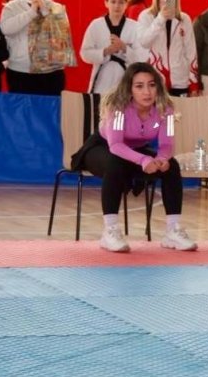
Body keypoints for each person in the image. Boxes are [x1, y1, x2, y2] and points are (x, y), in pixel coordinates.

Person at [69, 62, 197, 253]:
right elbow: (116, 145)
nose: (147, 92)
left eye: (152, 85)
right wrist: (144, 160)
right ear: (129, 89)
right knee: (115, 163)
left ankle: (172, 231)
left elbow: (167, 144)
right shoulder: (119, 107)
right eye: (139, 86)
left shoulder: (166, 110)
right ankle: (110, 231)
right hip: (101, 148)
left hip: (134, 151)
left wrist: (162, 159)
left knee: (172, 166)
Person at [0, 0, 75, 95]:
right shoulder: (12, 7)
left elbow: (62, 36)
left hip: (52, 72)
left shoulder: (56, 7)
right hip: (20, 71)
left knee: (50, 112)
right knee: (22, 113)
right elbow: (6, 29)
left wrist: (45, 11)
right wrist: (31, 12)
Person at [136, 0, 198, 96]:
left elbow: (191, 51)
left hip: (180, 80)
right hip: (154, 78)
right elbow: (144, 41)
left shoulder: (184, 19)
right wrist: (160, 18)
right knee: (155, 114)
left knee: (178, 114)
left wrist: (193, 82)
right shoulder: (146, 16)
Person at [79, 0, 138, 94]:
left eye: (121, 2)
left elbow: (141, 58)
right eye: (113, 1)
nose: (117, 6)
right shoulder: (96, 25)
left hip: (125, 80)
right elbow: (84, 53)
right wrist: (105, 51)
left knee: (124, 109)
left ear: (126, 5)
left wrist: (124, 48)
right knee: (100, 109)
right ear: (106, 3)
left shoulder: (134, 27)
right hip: (102, 80)